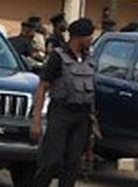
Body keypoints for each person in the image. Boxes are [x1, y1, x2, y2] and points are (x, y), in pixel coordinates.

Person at [30, 18, 96, 187]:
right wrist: (37, 121)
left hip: (82, 118)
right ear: (79, 37)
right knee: (52, 162)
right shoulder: (58, 57)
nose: (91, 40)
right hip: (61, 115)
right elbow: (42, 87)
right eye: (89, 36)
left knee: (72, 165)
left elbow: (92, 94)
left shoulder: (90, 59)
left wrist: (93, 123)